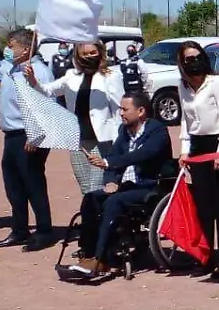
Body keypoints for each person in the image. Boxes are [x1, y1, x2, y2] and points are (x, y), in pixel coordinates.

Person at [73, 92, 173, 277]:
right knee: (91, 198)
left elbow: (143, 154)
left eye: (125, 109)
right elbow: (113, 156)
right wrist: (110, 180)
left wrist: (109, 163)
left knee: (114, 202)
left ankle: (99, 258)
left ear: (141, 111)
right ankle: (88, 252)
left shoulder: (157, 131)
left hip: (149, 187)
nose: (121, 113)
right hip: (125, 186)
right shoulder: (124, 132)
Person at [27, 41, 125, 195]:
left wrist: (119, 141)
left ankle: (100, 218)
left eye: (93, 53)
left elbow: (119, 111)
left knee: (96, 187)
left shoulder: (111, 76)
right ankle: (90, 218)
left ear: (100, 53)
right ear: (78, 55)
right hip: (78, 142)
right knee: (86, 189)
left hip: (102, 141)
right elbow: (47, 91)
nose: (89, 56)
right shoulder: (71, 75)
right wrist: (33, 79)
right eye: (85, 54)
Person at [177, 41, 219, 278]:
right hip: (198, 146)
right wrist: (184, 149)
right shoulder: (183, 86)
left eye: (197, 57)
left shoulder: (217, 83)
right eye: (188, 59)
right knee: (203, 206)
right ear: (181, 64)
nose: (193, 62)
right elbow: (185, 119)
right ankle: (205, 256)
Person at [0, 28, 56, 251]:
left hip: (29, 135)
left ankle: (44, 231)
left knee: (33, 184)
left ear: (26, 49)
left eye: (12, 46)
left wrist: (36, 134)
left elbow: (46, 105)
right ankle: (19, 229)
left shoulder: (38, 71)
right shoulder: (11, 68)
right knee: (13, 186)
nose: (7, 50)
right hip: (11, 135)